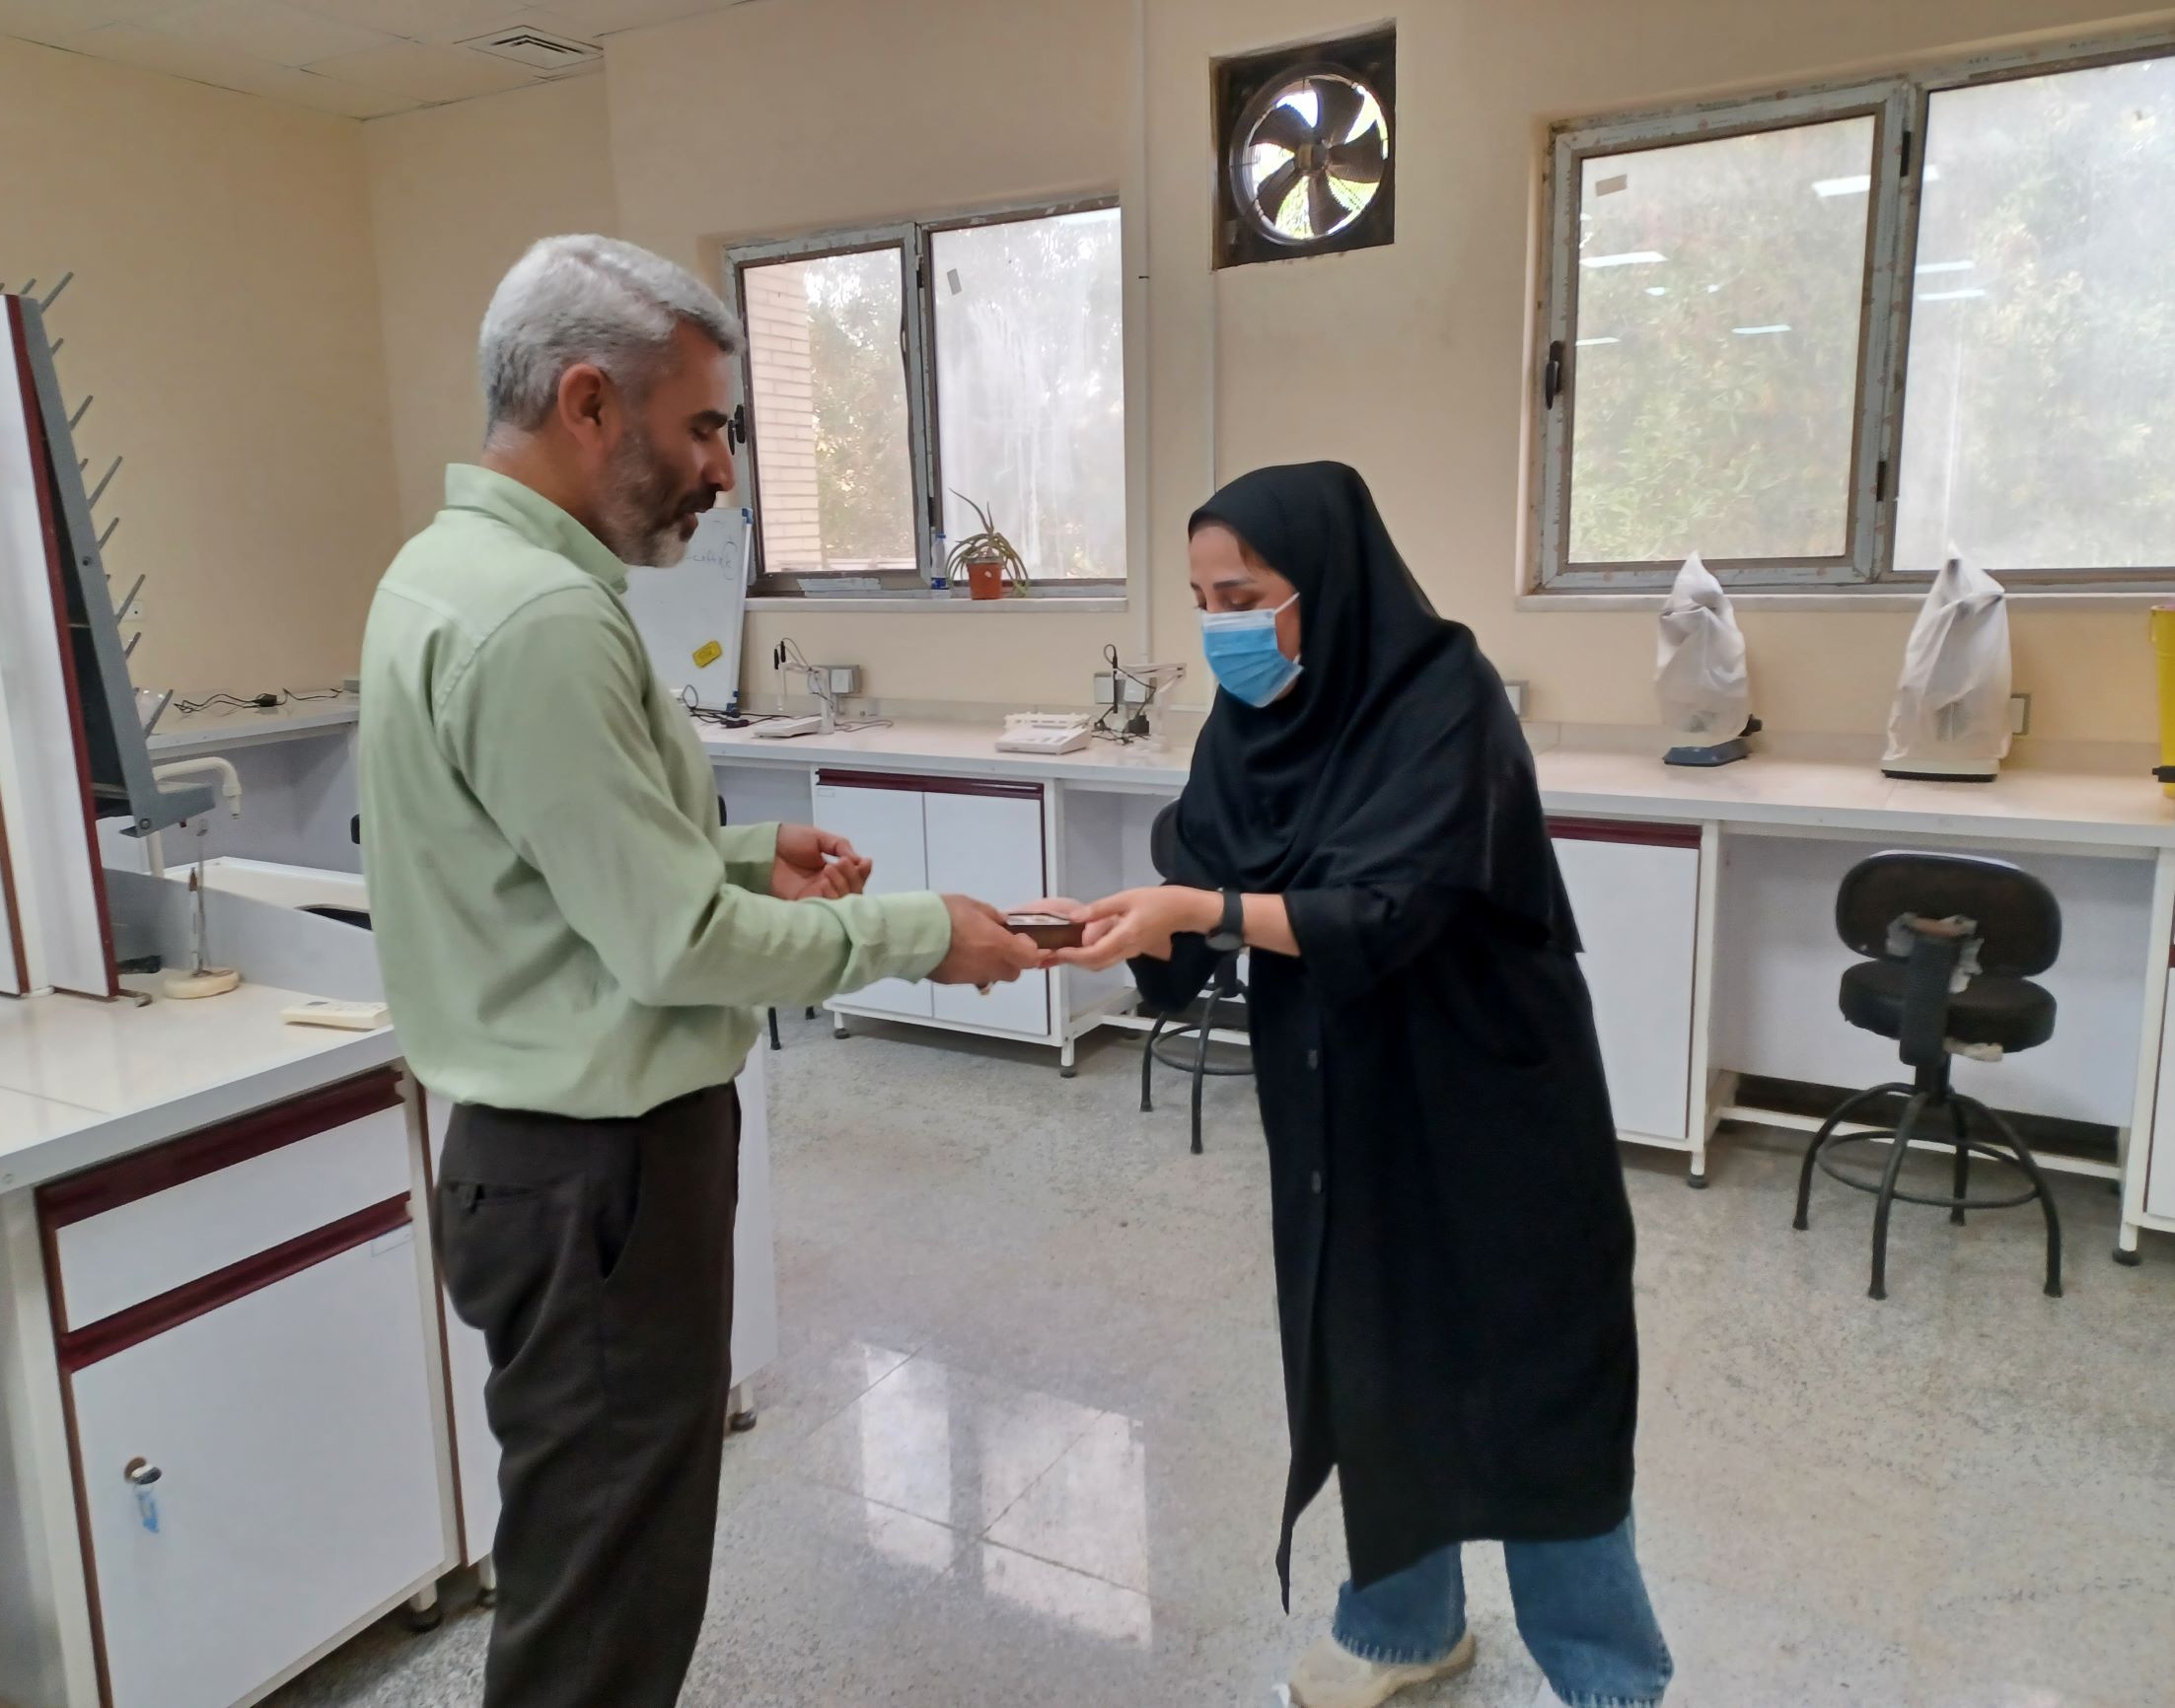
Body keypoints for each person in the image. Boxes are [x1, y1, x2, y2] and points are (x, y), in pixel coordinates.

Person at [356, 234, 1042, 1708]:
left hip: (533, 1161)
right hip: (598, 1178)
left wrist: (735, 852)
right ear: (588, 402)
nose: (723, 469)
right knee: (608, 1601)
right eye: (706, 426)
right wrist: (920, 931)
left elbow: (545, 866)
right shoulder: (541, 620)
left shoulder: (446, 574)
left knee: (585, 1555)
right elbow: (669, 945)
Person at [1048, 463, 1671, 1708]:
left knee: (1539, 1380)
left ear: (1327, 585)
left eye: (1244, 596)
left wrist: (1204, 910)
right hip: (1345, 1095)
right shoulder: (1249, 728)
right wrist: (1114, 926)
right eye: (1201, 600)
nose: (1219, 625)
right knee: (1375, 1354)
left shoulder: (1442, 698)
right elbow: (1202, 879)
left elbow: (1391, 907)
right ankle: (1402, 1626)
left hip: (1489, 1094)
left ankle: (1607, 1676)